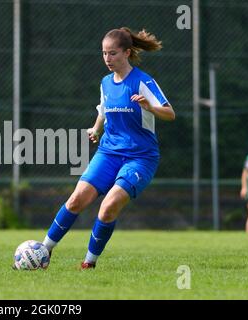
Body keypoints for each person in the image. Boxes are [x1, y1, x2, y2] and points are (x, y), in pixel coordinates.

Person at [41, 27, 175, 270]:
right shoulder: (105, 82)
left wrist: (150, 107)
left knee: (108, 206)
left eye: (112, 54)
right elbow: (104, 110)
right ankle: (43, 251)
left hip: (140, 158)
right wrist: (95, 129)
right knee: (76, 200)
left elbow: (170, 113)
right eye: (104, 54)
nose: (107, 59)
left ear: (126, 53)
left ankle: (89, 263)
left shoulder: (143, 82)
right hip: (109, 152)